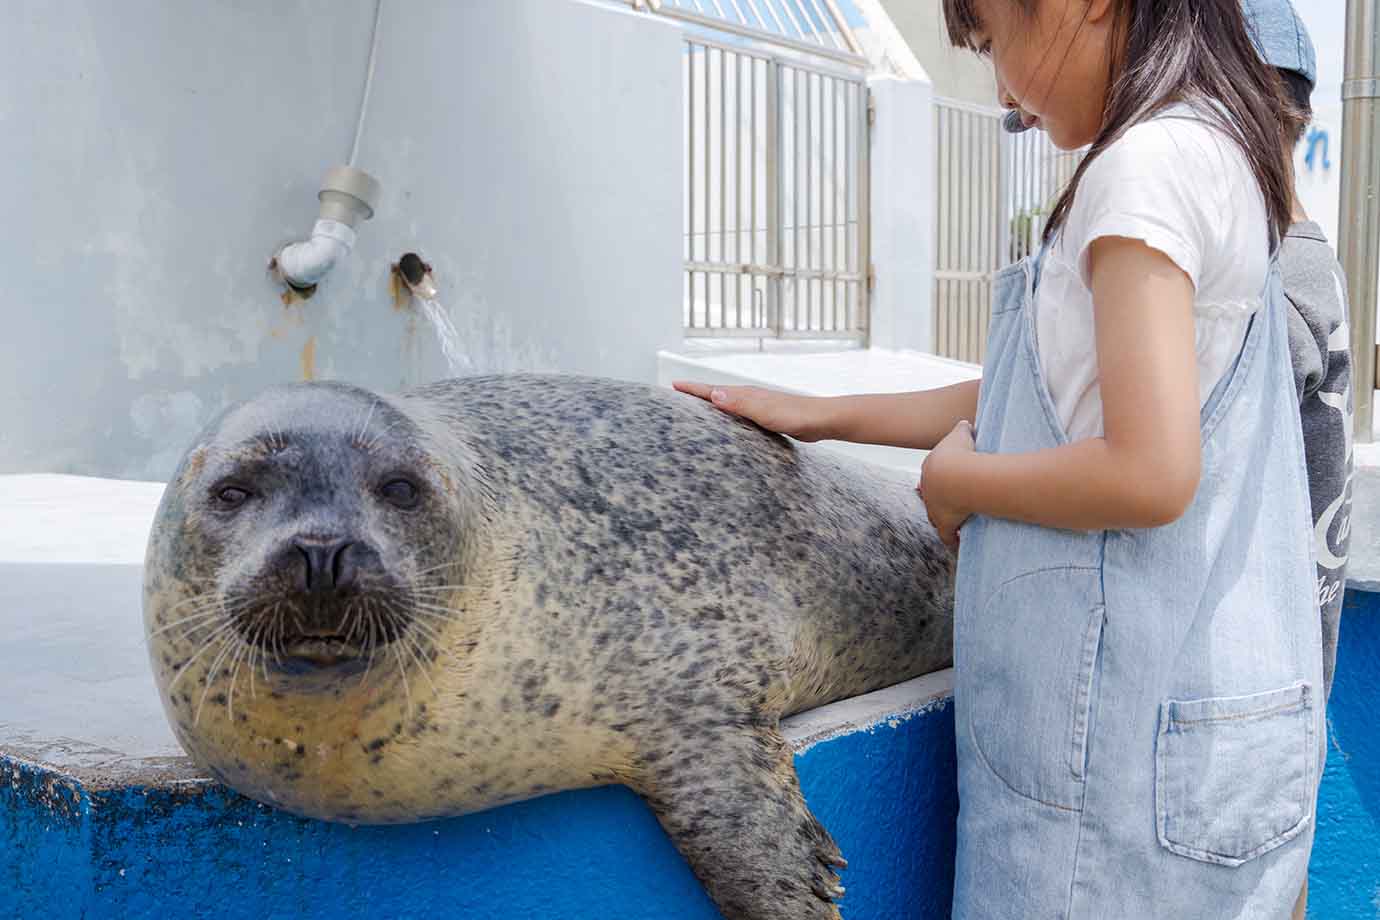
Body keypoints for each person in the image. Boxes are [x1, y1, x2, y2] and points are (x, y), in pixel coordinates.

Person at [675, 0, 1324, 915]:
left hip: (1102, 789)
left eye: (990, 42)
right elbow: (1051, 395)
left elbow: (1149, 469)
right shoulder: (1216, 145)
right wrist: (823, 416)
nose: (1003, 90)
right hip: (1196, 760)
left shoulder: (1143, 170)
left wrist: (956, 482)